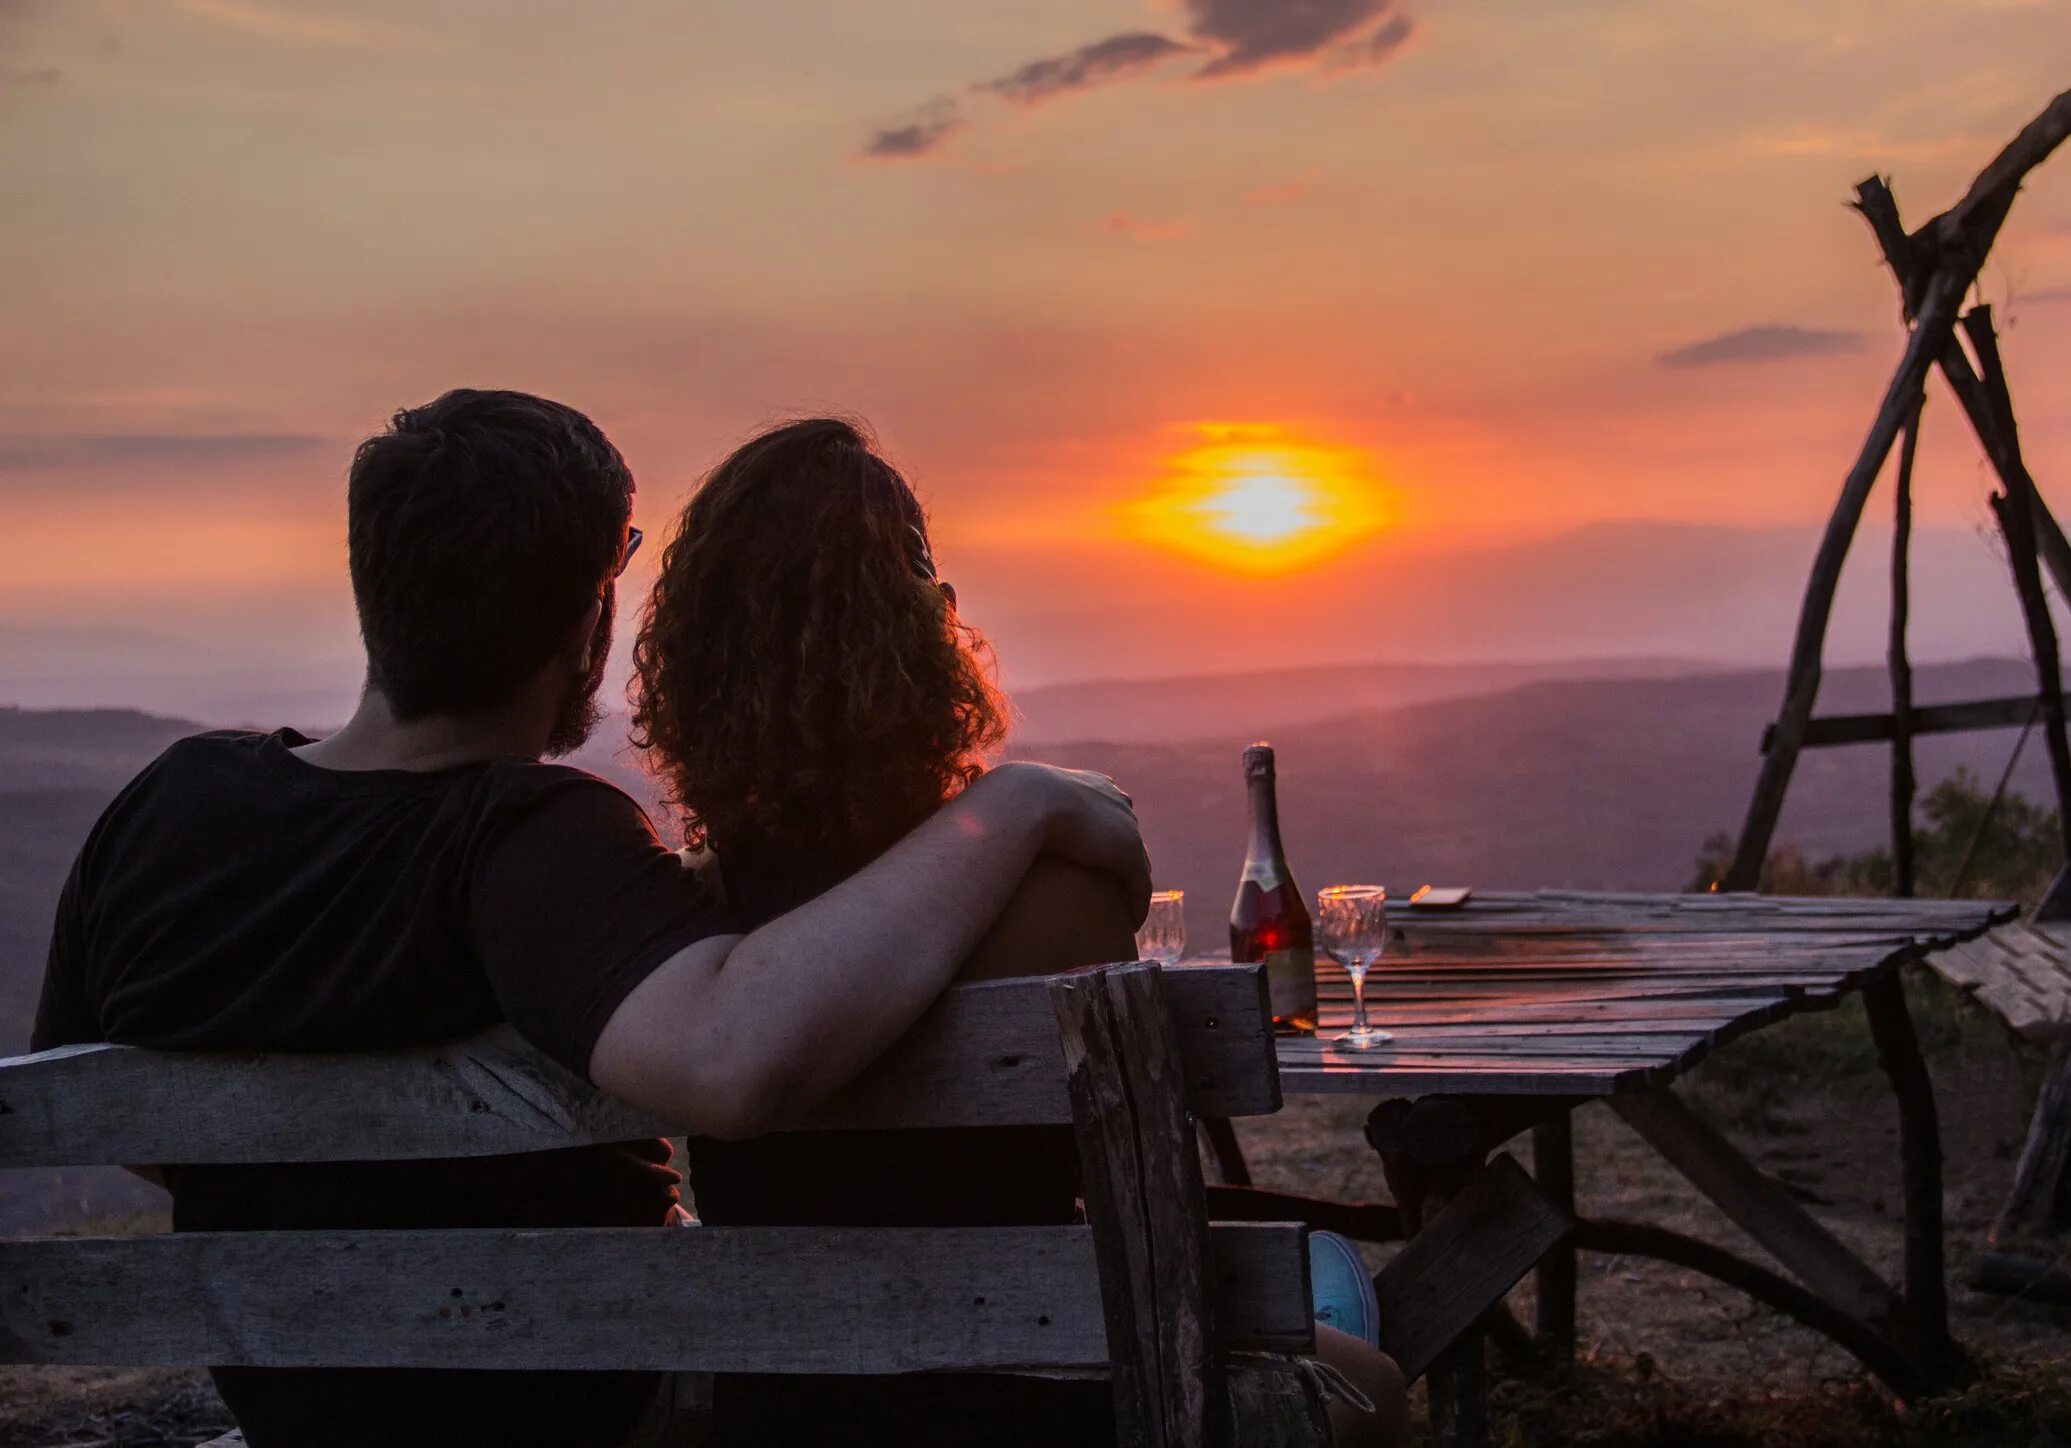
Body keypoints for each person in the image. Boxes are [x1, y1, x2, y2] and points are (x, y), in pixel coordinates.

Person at [29, 390, 1151, 1448]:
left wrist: (329, 1258)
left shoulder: (171, 799)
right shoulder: (533, 840)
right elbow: (730, 1062)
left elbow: (119, 1125)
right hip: (587, 1397)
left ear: (374, 578)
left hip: (294, 1402)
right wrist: (1013, 803)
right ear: (589, 616)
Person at [631, 416, 1410, 1447]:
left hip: (791, 1399)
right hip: (1054, 1384)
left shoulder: (692, 923)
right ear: (926, 633)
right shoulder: (1052, 900)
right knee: (1376, 1378)